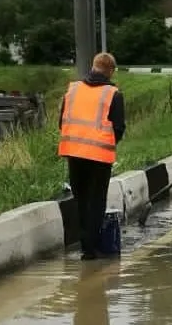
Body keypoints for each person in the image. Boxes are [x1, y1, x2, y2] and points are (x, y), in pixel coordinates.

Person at [58, 52, 126, 260]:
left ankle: (84, 245)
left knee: (80, 199)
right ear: (110, 70)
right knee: (96, 201)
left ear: (94, 66)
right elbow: (119, 127)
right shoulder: (113, 93)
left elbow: (61, 121)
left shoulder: (73, 89)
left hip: (73, 152)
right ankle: (92, 249)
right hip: (98, 155)